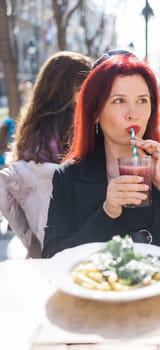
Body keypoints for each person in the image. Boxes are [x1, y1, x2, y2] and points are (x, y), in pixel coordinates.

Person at [42, 51, 160, 263]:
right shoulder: (69, 176)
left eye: (142, 100)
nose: (133, 113)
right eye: (119, 100)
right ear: (95, 111)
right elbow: (53, 257)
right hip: (105, 295)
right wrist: (106, 213)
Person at [0, 51, 92, 257]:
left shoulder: (30, 130)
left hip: (40, 242)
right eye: (86, 88)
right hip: (80, 241)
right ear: (75, 90)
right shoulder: (79, 130)